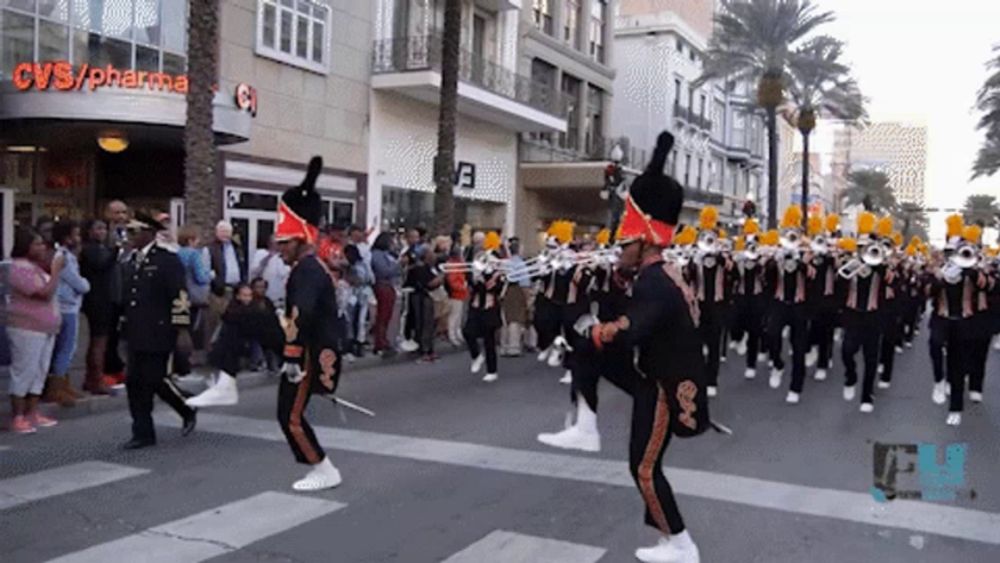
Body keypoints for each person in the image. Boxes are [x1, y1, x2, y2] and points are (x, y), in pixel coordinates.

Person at [576, 131, 708, 563]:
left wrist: (595, 332)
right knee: (643, 466)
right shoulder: (661, 273)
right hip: (659, 378)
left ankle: (683, 545)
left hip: (665, 386)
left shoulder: (655, 281)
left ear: (648, 236)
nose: (621, 247)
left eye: (626, 241)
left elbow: (633, 327)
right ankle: (671, 539)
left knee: (645, 468)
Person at [274, 156, 344, 491]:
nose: (280, 249)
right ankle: (319, 466)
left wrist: (291, 358)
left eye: (285, 242)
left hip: (306, 354)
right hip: (303, 351)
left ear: (301, 238)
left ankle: (323, 468)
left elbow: (302, 315)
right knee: (288, 415)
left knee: (290, 416)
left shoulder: (307, 271)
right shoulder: (307, 269)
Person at [120, 213, 197, 449]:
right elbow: (129, 297)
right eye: (128, 232)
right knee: (134, 382)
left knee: (154, 379)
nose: (130, 236)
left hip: (159, 331)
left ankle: (186, 406)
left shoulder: (167, 260)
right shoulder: (129, 260)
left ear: (149, 233)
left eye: (135, 231)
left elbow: (181, 296)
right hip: (136, 331)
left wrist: (182, 329)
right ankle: (142, 432)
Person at [185, 283, 282, 408]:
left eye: (249, 295)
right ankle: (224, 383)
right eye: (244, 295)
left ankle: (225, 384)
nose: (247, 298)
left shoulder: (257, 308)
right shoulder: (235, 312)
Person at [7, 228, 64, 434]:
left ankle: (33, 412)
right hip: (26, 327)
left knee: (39, 371)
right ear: (26, 246)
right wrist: (56, 271)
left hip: (45, 327)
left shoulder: (37, 267)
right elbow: (43, 294)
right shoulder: (20, 268)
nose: (42, 248)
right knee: (24, 371)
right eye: (37, 244)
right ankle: (18, 415)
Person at [47, 220, 91, 405]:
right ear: (67, 238)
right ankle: (56, 388)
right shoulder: (64, 257)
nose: (79, 238)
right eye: (76, 235)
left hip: (65, 306)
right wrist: (86, 284)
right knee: (66, 348)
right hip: (67, 307)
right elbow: (78, 283)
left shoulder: (65, 255)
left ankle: (63, 383)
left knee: (64, 347)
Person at [80, 219, 117, 395]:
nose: (102, 232)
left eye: (104, 228)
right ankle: (96, 378)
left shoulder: (103, 249)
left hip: (106, 298)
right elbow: (101, 265)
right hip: (96, 299)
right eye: (98, 228)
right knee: (98, 341)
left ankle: (92, 377)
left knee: (103, 341)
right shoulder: (90, 250)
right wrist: (116, 250)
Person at [463, 232, 506, 381]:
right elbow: (471, 285)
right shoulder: (477, 265)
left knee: (489, 340)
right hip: (476, 304)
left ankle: (492, 370)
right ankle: (476, 355)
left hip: (490, 306)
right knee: (467, 332)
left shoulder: (499, 271)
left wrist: (488, 276)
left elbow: (497, 289)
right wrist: (475, 277)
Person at [204, 220, 247, 350]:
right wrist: (215, 281)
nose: (225, 234)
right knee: (214, 324)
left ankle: (231, 352)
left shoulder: (237, 247)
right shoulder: (210, 248)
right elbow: (207, 270)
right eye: (222, 231)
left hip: (236, 291)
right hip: (219, 292)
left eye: (227, 231)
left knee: (233, 325)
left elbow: (242, 265)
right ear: (216, 232)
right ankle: (210, 354)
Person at [175, 225, 212, 377]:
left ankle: (177, 365)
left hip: (179, 297)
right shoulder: (194, 255)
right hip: (194, 298)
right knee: (189, 332)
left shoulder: (176, 254)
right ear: (191, 239)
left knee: (179, 331)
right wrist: (211, 274)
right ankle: (186, 366)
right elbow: (201, 277)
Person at [103, 200, 130, 386]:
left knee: (121, 334)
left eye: (123, 212)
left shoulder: (128, 235)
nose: (121, 216)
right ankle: (107, 369)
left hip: (125, 290)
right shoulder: (104, 234)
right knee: (108, 334)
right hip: (108, 291)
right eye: (116, 213)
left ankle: (118, 367)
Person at [411, 246, 443, 362]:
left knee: (432, 324)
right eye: (431, 254)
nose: (434, 257)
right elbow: (429, 283)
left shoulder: (432, 268)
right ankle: (424, 349)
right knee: (425, 323)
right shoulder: (420, 268)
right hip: (424, 297)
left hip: (433, 297)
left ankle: (430, 348)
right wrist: (440, 278)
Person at [371, 232, 401, 356]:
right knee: (383, 315)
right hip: (382, 284)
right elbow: (384, 271)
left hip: (390, 285)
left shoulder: (388, 255)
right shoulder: (377, 255)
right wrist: (398, 265)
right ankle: (380, 342)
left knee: (387, 315)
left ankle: (384, 339)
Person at [500, 238, 531, 356]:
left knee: (506, 319)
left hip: (506, 290)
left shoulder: (506, 262)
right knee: (515, 319)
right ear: (518, 250)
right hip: (517, 290)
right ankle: (513, 347)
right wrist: (527, 297)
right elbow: (525, 283)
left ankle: (504, 346)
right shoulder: (520, 263)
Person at [250, 235, 290, 311]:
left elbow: (285, 274)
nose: (276, 245)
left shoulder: (284, 257)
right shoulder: (260, 253)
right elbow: (254, 272)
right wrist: (268, 257)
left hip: (280, 296)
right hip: (264, 295)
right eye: (274, 242)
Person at [444, 247, 469, 346]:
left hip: (459, 293)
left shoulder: (455, 264)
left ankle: (456, 334)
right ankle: (452, 335)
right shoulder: (454, 266)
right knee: (454, 316)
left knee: (457, 316)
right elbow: (453, 282)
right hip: (456, 294)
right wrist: (462, 287)